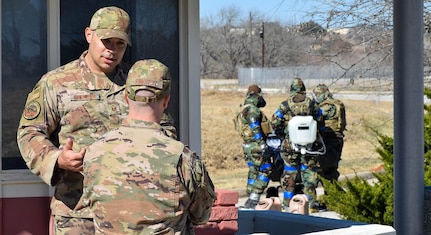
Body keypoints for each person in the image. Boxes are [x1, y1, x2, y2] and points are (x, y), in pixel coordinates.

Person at [16, 6, 175, 234]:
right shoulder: (57, 83)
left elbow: (167, 132)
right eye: (106, 41)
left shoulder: (136, 85)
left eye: (120, 44)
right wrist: (57, 158)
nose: (112, 50)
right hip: (78, 212)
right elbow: (29, 132)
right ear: (89, 35)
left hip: (131, 212)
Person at [80, 59, 216, 234]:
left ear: (126, 98)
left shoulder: (94, 152)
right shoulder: (183, 159)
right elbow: (202, 216)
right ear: (166, 100)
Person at [270, 77, 324, 212]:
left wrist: (283, 133)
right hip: (310, 145)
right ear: (303, 89)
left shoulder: (285, 105)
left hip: (290, 146)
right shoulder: (312, 104)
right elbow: (321, 120)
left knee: (290, 173)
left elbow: (275, 122)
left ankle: (287, 204)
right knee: (309, 173)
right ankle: (310, 204)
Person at [236, 84, 272, 209]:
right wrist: (263, 145)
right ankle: (253, 199)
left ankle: (250, 196)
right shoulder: (252, 110)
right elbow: (255, 126)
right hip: (256, 145)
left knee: (253, 170)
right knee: (266, 170)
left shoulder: (243, 108)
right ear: (257, 95)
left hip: (247, 145)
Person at [312, 84, 346, 181]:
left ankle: (330, 192)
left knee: (324, 170)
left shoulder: (326, 106)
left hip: (328, 140)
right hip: (338, 139)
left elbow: (317, 118)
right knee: (332, 169)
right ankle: (332, 192)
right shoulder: (337, 103)